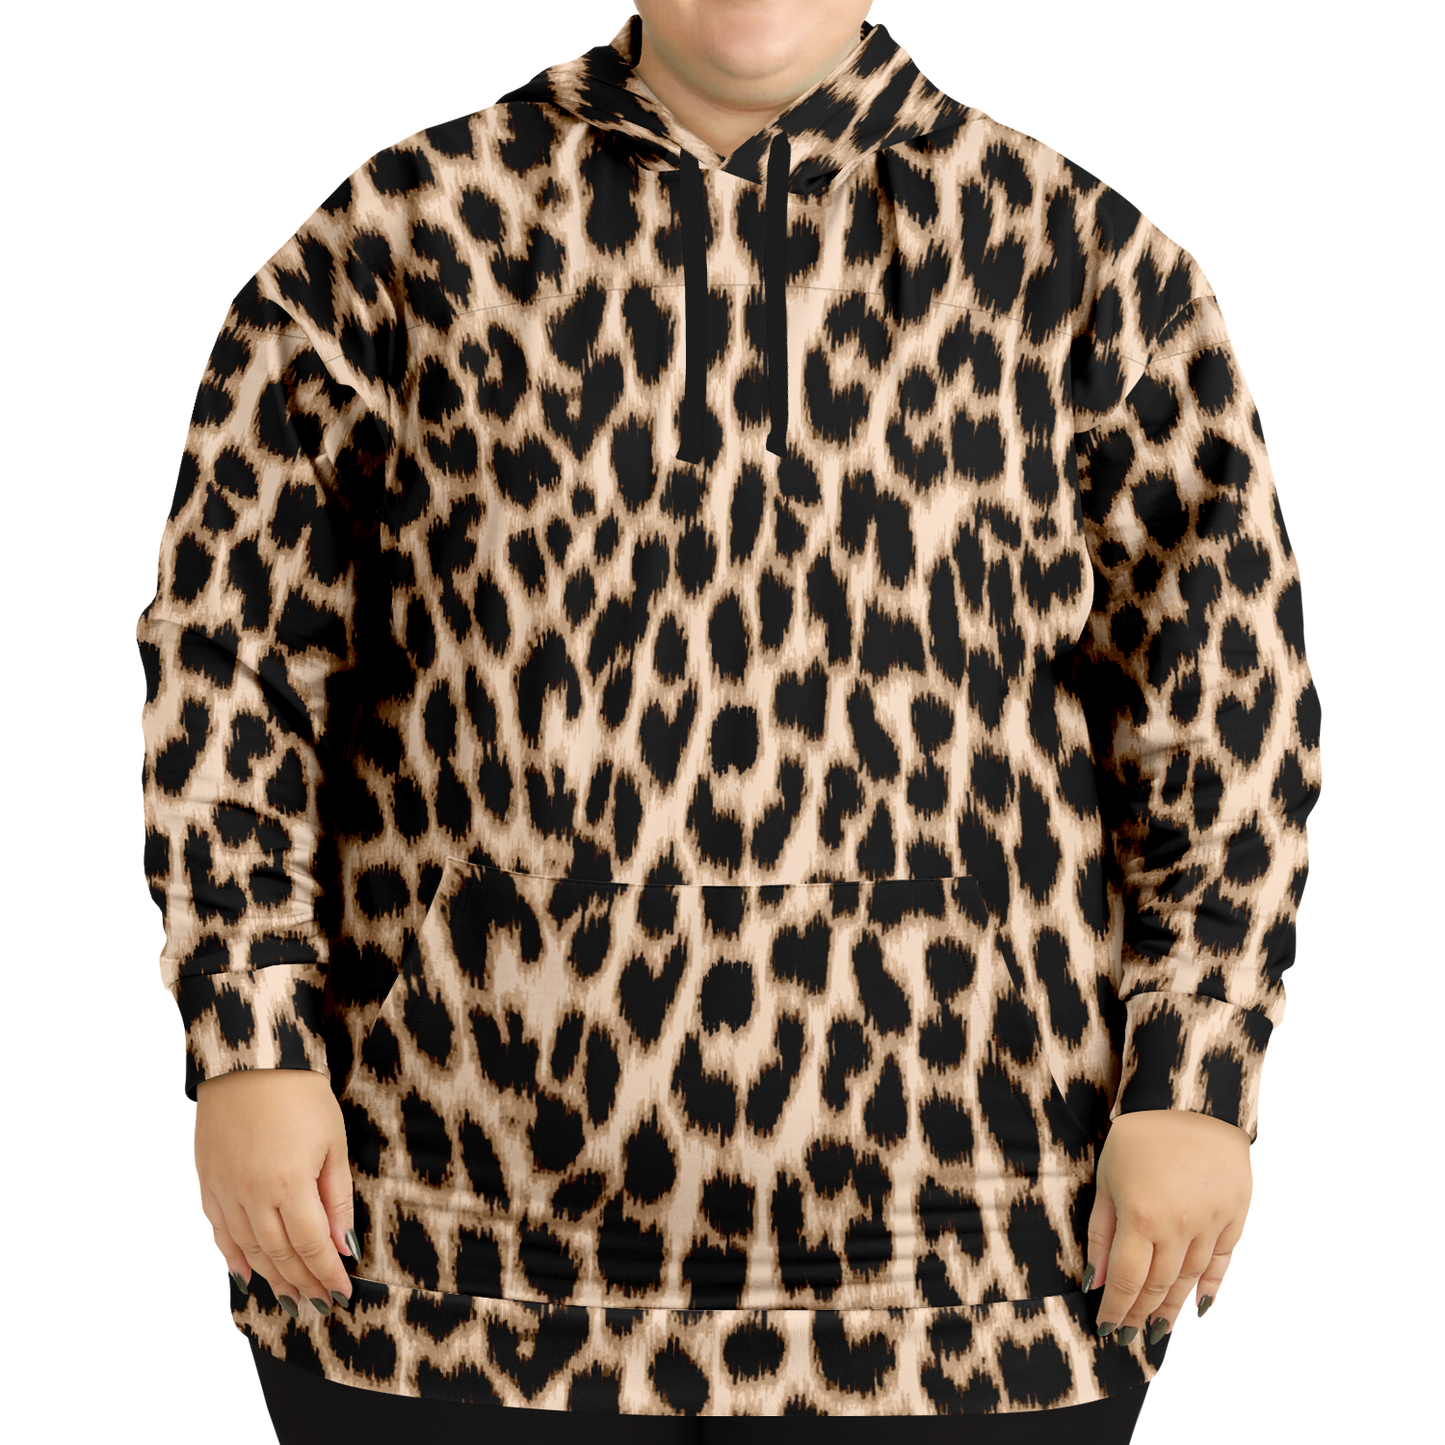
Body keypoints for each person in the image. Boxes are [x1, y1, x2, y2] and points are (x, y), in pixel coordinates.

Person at [138, 2, 1322, 1442]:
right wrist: (249, 1036)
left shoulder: (1085, 257)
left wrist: (1196, 1074)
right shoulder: (395, 226)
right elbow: (228, 657)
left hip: (978, 1275)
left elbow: (1225, 699)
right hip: (438, 1266)